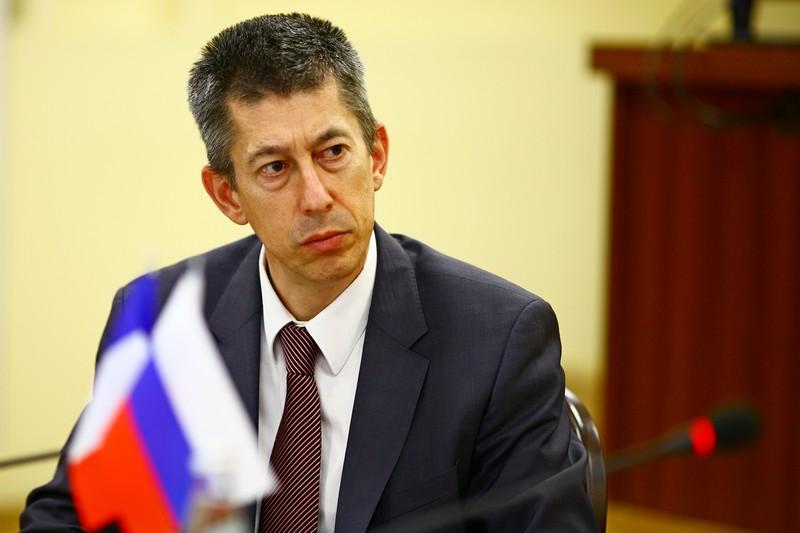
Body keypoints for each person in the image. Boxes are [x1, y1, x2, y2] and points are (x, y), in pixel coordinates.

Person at [21, 13, 597, 532]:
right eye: (275, 168)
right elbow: (72, 515)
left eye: (333, 152)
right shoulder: (167, 320)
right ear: (227, 195)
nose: (317, 197)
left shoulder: (496, 339)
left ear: (377, 155)